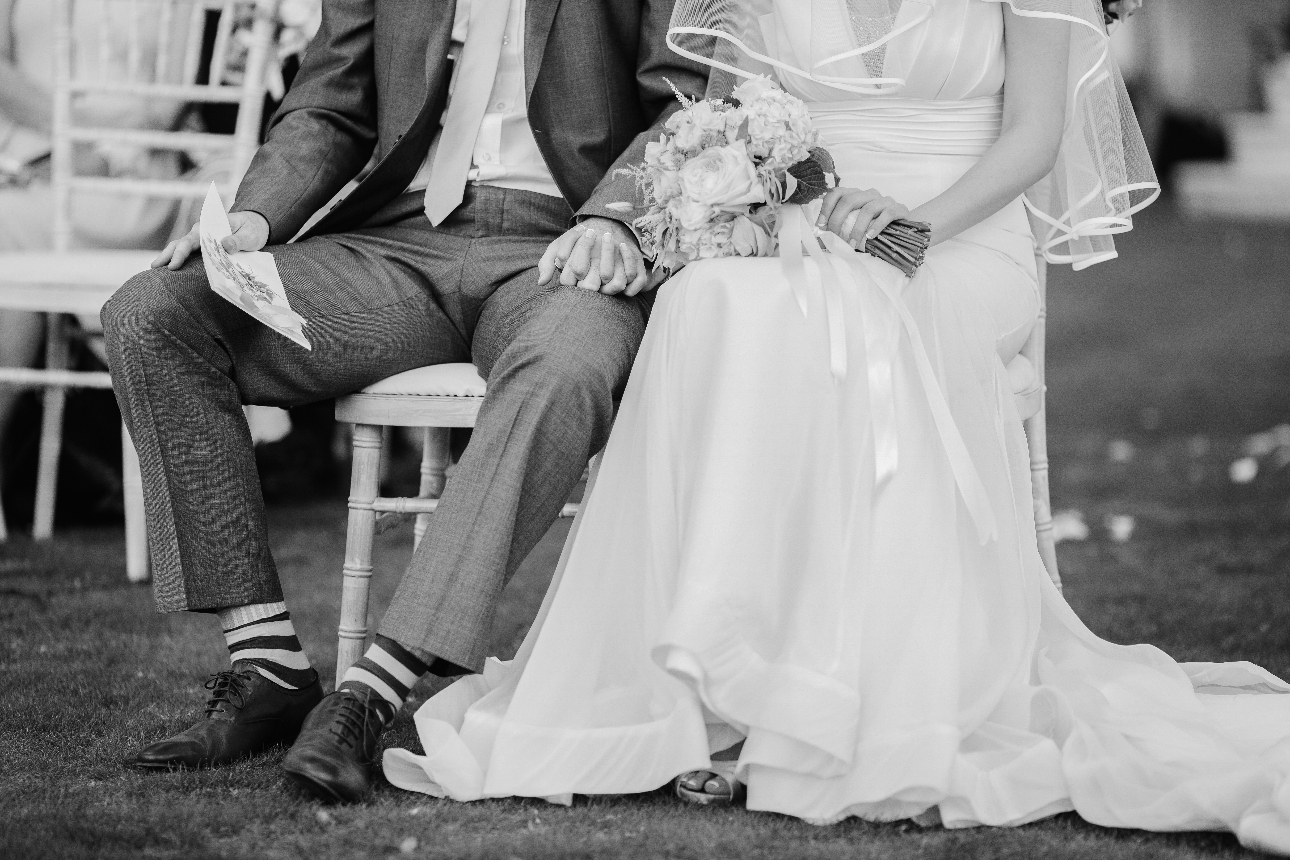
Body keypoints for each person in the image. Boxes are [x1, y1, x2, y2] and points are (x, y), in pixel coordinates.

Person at [379, 0, 1290, 854]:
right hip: (808, 224)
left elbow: (1034, 140)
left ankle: (841, 702)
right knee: (705, 306)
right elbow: (734, 114)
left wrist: (913, 228)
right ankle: (699, 687)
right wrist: (766, 210)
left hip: (963, 227)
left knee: (858, 317)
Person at [103, 0, 707, 803]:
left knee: (564, 368)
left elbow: (688, 99)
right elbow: (329, 100)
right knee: (154, 315)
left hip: (564, 242)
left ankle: (372, 692)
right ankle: (267, 663)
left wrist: (621, 220)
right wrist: (253, 218)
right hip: (396, 242)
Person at [0, 0, 186, 514]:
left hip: (133, 173)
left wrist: (100, 148)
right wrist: (62, 138)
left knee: (7, 233)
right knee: (8, 229)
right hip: (32, 159)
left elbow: (172, 103)